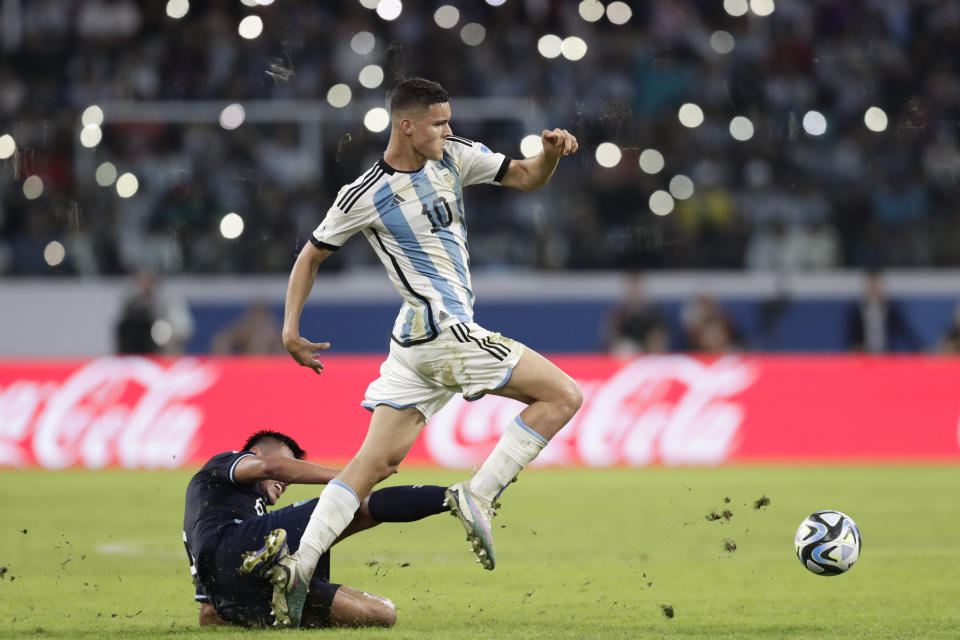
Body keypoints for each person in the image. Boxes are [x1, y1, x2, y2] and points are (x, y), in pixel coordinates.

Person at [274, 77, 582, 626]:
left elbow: (527, 175)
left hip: (412, 342)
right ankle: (478, 496)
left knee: (375, 463)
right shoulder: (363, 194)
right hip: (441, 330)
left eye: (448, 120)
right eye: (438, 122)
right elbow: (310, 256)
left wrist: (551, 155)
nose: (448, 129)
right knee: (563, 395)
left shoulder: (455, 157)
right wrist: (290, 329)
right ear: (406, 126)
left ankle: (300, 565)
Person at [182, 429, 450, 628]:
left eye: (288, 479)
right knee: (352, 503)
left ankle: (284, 584)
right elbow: (271, 466)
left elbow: (208, 614)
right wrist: (351, 477)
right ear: (254, 454)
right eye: (288, 467)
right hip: (235, 548)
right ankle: (452, 498)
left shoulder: (217, 514)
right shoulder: (223, 464)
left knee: (383, 614)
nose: (286, 481)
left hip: (234, 600)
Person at [846, 270, 921, 353]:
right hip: (864, 356)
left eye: (877, 285)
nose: (874, 289)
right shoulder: (856, 311)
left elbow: (905, 332)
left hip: (886, 355)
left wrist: (920, 348)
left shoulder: (891, 309)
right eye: (871, 286)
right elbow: (851, 338)